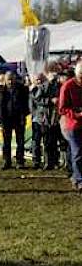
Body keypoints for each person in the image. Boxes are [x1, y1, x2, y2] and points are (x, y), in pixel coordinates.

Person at [0, 71, 30, 170]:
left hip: (19, 118)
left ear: (15, 79)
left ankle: (20, 161)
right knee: (6, 141)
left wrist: (24, 115)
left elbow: (25, 104)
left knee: (20, 141)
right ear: (5, 80)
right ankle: (7, 161)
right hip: (6, 119)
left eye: (11, 79)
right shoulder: (1, 91)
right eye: (8, 80)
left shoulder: (22, 89)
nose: (10, 81)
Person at [30, 67, 61, 170]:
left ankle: (54, 161)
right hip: (44, 117)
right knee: (47, 141)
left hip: (54, 116)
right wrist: (50, 101)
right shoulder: (42, 87)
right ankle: (48, 162)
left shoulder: (57, 85)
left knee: (53, 140)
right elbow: (37, 98)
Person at [58, 61, 82, 191]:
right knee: (77, 152)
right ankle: (78, 180)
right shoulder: (67, 86)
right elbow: (62, 109)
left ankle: (77, 176)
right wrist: (77, 114)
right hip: (73, 125)